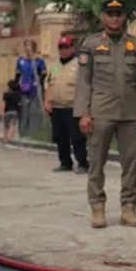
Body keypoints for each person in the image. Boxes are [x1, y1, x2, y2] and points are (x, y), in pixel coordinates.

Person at [75, 0, 136, 229]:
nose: (115, 18)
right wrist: (83, 113)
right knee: (96, 162)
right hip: (100, 112)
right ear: (103, 17)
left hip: (130, 112)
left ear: (124, 16)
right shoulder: (91, 45)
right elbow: (83, 82)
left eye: (119, 14)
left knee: (130, 162)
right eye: (110, 13)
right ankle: (97, 207)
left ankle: (128, 208)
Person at [44, 35, 89, 173]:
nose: (63, 50)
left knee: (77, 136)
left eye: (66, 47)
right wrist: (47, 101)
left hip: (73, 107)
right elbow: (49, 84)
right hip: (57, 107)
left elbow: (85, 86)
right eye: (61, 48)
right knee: (59, 136)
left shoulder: (79, 64)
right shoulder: (55, 66)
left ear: (72, 48)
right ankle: (65, 162)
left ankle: (82, 163)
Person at [16, 41, 47, 138]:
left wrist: (38, 82)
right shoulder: (21, 60)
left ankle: (35, 132)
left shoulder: (38, 60)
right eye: (26, 46)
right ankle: (23, 132)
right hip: (24, 87)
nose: (27, 48)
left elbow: (44, 73)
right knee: (24, 110)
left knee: (34, 110)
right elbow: (17, 74)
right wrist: (16, 86)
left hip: (35, 88)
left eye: (29, 46)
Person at [1, 78, 22, 144]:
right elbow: (19, 104)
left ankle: (5, 138)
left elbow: (4, 104)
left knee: (6, 126)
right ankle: (10, 138)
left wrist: (2, 112)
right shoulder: (18, 95)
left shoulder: (6, 94)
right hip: (15, 112)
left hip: (7, 112)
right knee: (12, 125)